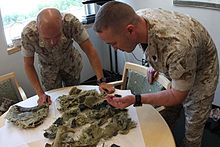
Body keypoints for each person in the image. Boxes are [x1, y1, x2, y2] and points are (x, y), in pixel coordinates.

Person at [93, 1, 219, 147]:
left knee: (193, 126)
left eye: (113, 43)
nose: (114, 49)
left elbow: (176, 96)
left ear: (130, 31)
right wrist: (156, 63)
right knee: (168, 114)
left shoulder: (177, 49)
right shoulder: (139, 19)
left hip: (202, 69)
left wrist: (136, 99)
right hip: (181, 57)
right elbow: (156, 46)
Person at [21, 8, 114, 106]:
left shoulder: (71, 23)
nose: (52, 42)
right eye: (47, 38)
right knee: (54, 100)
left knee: (75, 97)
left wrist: (101, 81)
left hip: (70, 63)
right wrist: (40, 94)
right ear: (38, 28)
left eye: (57, 36)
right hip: (48, 70)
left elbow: (90, 50)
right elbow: (28, 65)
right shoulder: (29, 34)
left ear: (62, 24)